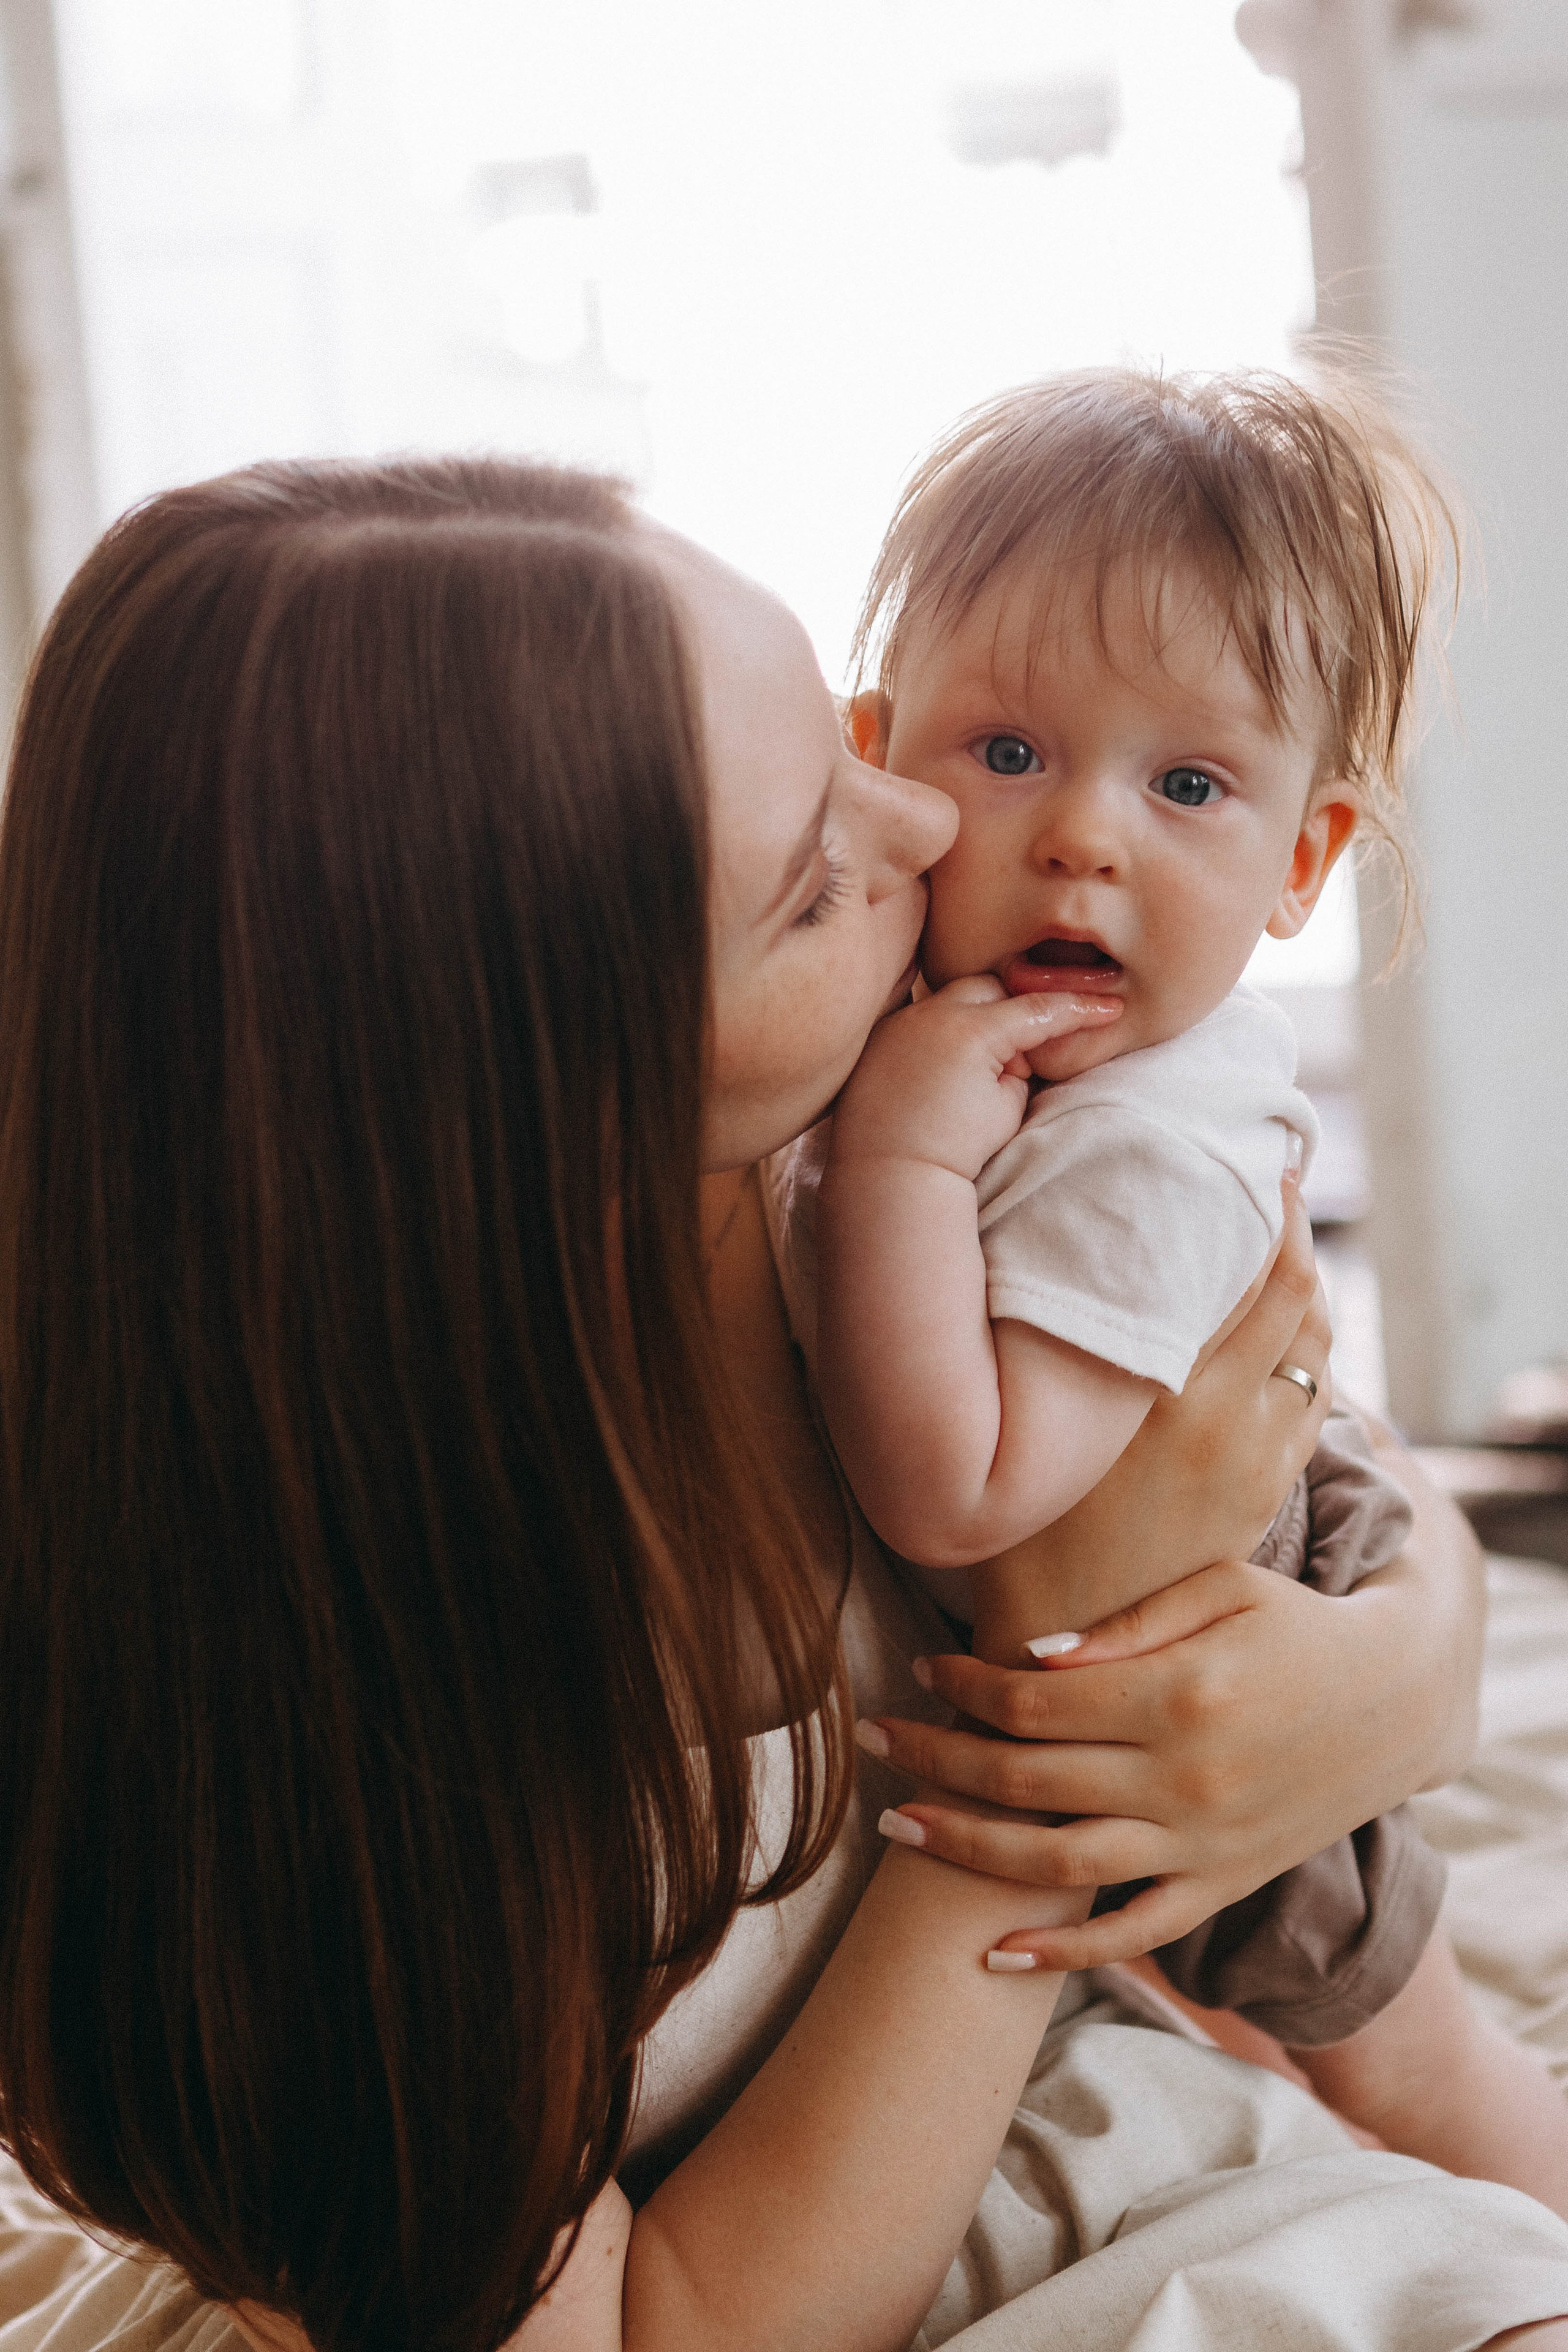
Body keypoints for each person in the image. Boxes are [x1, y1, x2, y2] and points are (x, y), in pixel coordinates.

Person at [0, 456, 1564, 2352]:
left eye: (852, 740)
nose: (933, 820)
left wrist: (1393, 1671)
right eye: (817, 872)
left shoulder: (806, 1160)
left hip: (1103, 2111)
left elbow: (1284, 1441)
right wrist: (1050, 1724)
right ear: (549, 1097)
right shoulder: (262, 1779)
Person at [809, 366, 1568, 2210]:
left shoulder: (1151, 1141)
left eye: (1190, 784)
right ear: (879, 760)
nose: (1085, 835)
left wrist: (897, 1170)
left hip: (1229, 1639)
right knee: (1251, 2041)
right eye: (1006, 753)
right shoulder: (934, 1020)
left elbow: (962, 1493)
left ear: (1303, 861)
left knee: (1402, 2051)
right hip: (1198, 1573)